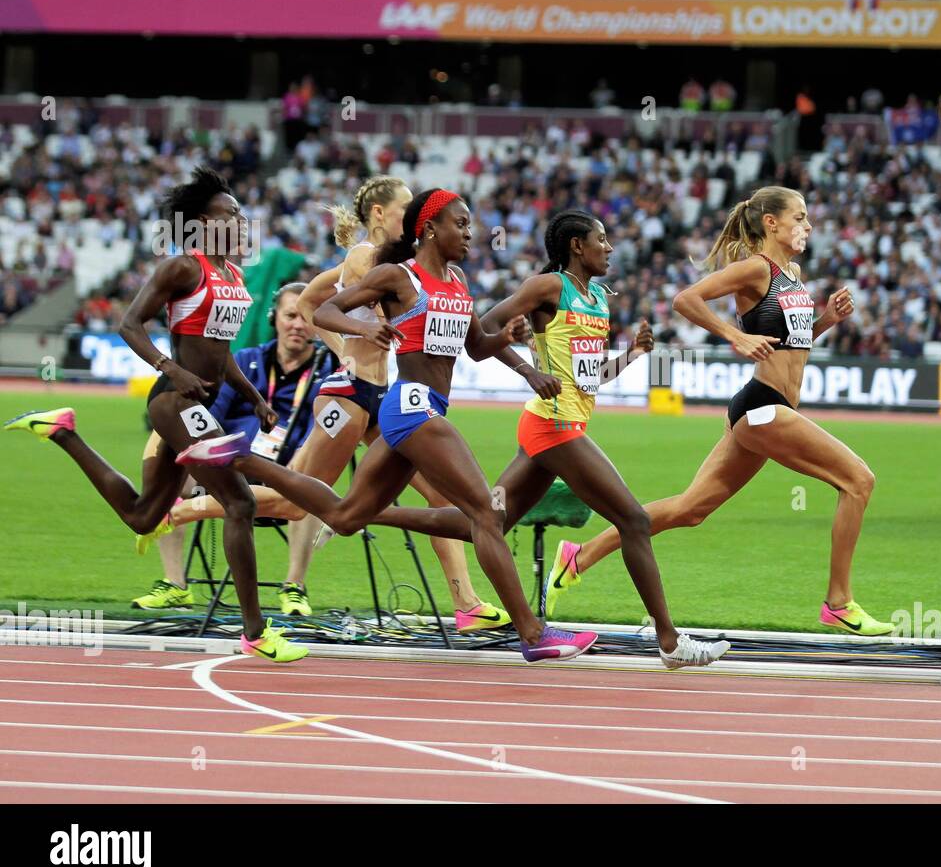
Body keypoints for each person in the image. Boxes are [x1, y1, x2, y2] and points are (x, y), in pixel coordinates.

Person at [175, 188, 598, 663]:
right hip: (412, 407)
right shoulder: (399, 276)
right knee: (485, 511)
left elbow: (478, 346)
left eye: (470, 225)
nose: (469, 233)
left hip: (419, 411)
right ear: (430, 229)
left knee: (344, 516)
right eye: (460, 224)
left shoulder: (457, 280)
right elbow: (324, 309)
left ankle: (238, 456)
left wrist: (520, 357)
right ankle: (533, 633)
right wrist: (363, 329)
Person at [379, 209, 730, 669]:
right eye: (600, 239)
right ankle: (670, 642)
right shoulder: (548, 287)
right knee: (634, 520)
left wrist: (632, 355)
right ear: (576, 247)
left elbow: (590, 380)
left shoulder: (600, 298)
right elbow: (482, 329)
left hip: (562, 424)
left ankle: (377, 512)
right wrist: (524, 354)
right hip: (551, 426)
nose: (608, 248)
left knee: (488, 522)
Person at [545, 187, 895, 637]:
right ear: (771, 223)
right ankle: (839, 602)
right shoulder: (755, 268)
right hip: (763, 409)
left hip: (766, 409)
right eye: (800, 218)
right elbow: (686, 299)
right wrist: (735, 335)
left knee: (690, 510)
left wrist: (825, 321)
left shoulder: (793, 273)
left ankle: (579, 556)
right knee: (859, 480)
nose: (808, 227)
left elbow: (791, 346)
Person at [5, 166, 306, 662]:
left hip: (199, 402)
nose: (241, 219)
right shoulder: (182, 268)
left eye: (240, 212)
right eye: (230, 212)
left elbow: (220, 350)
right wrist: (171, 368)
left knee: (144, 517)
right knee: (240, 503)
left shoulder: (231, 273)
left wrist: (253, 396)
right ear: (204, 222)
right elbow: (129, 323)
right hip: (174, 401)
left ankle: (62, 432)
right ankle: (254, 631)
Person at [131, 282, 338, 614]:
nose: (298, 325)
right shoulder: (246, 360)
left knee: (309, 483)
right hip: (230, 466)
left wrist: (299, 463)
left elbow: (323, 431)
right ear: (275, 318)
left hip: (288, 473)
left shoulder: (329, 371)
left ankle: (294, 587)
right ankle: (175, 584)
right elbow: (210, 413)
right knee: (172, 465)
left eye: (306, 317)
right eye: (290, 315)